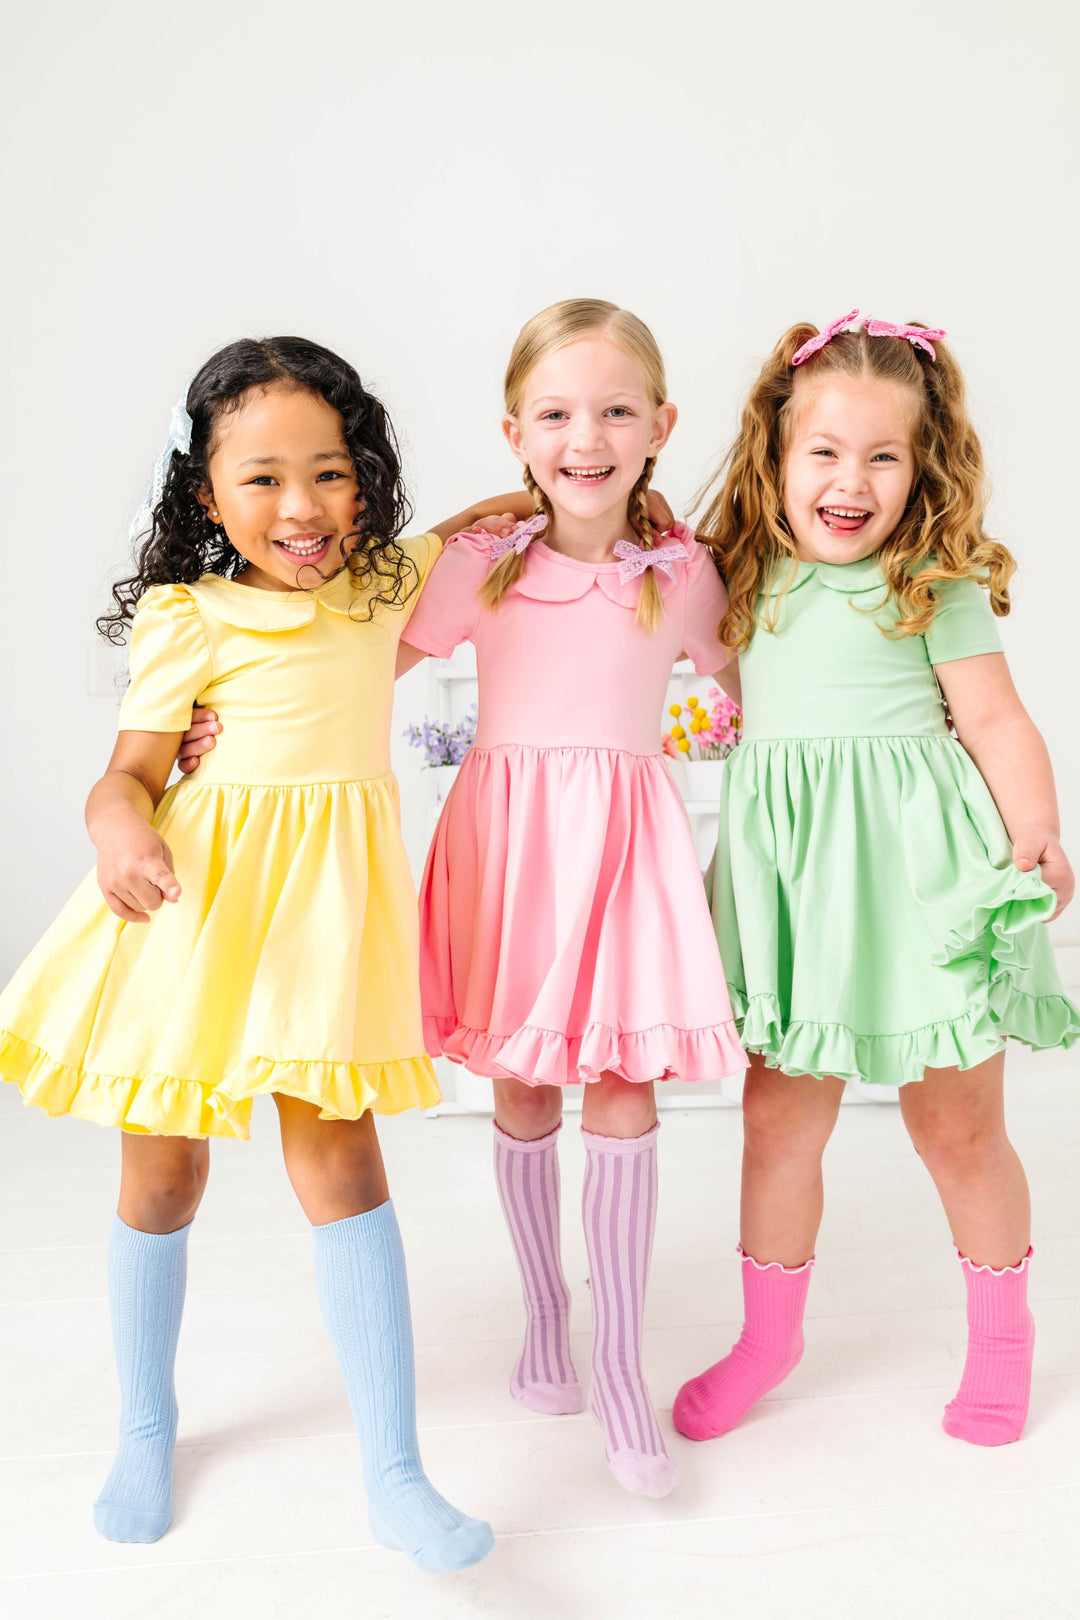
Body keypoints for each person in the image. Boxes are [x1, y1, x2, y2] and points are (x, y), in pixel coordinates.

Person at [0, 335, 526, 1569]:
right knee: (163, 1176)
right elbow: (127, 776)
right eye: (264, 478)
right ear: (205, 493)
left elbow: (491, 523)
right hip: (193, 916)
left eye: (332, 473)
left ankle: (396, 1473)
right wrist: (121, 829)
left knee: (342, 1160)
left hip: (324, 928)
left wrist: (595, 497)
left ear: (366, 479)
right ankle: (145, 1426)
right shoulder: (188, 618)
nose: (303, 506)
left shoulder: (379, 588)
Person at [673, 311, 1079, 1451]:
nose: (851, 482)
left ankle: (1001, 1341)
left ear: (922, 465)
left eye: (883, 456)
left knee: (957, 1127)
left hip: (923, 879)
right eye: (825, 452)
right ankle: (769, 1340)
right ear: (776, 453)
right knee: (775, 1123)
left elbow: (994, 720)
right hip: (798, 888)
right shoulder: (737, 576)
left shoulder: (929, 581)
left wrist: (1038, 828)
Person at [398, 299, 748, 1498]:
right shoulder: (481, 564)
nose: (584, 438)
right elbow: (361, 664)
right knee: (522, 1082)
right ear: (515, 434)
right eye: (554, 414)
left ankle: (622, 1368)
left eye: (614, 411)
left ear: (661, 426)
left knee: (625, 1086)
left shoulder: (683, 574)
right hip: (509, 852)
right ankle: (547, 1320)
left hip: (628, 852)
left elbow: (756, 688)